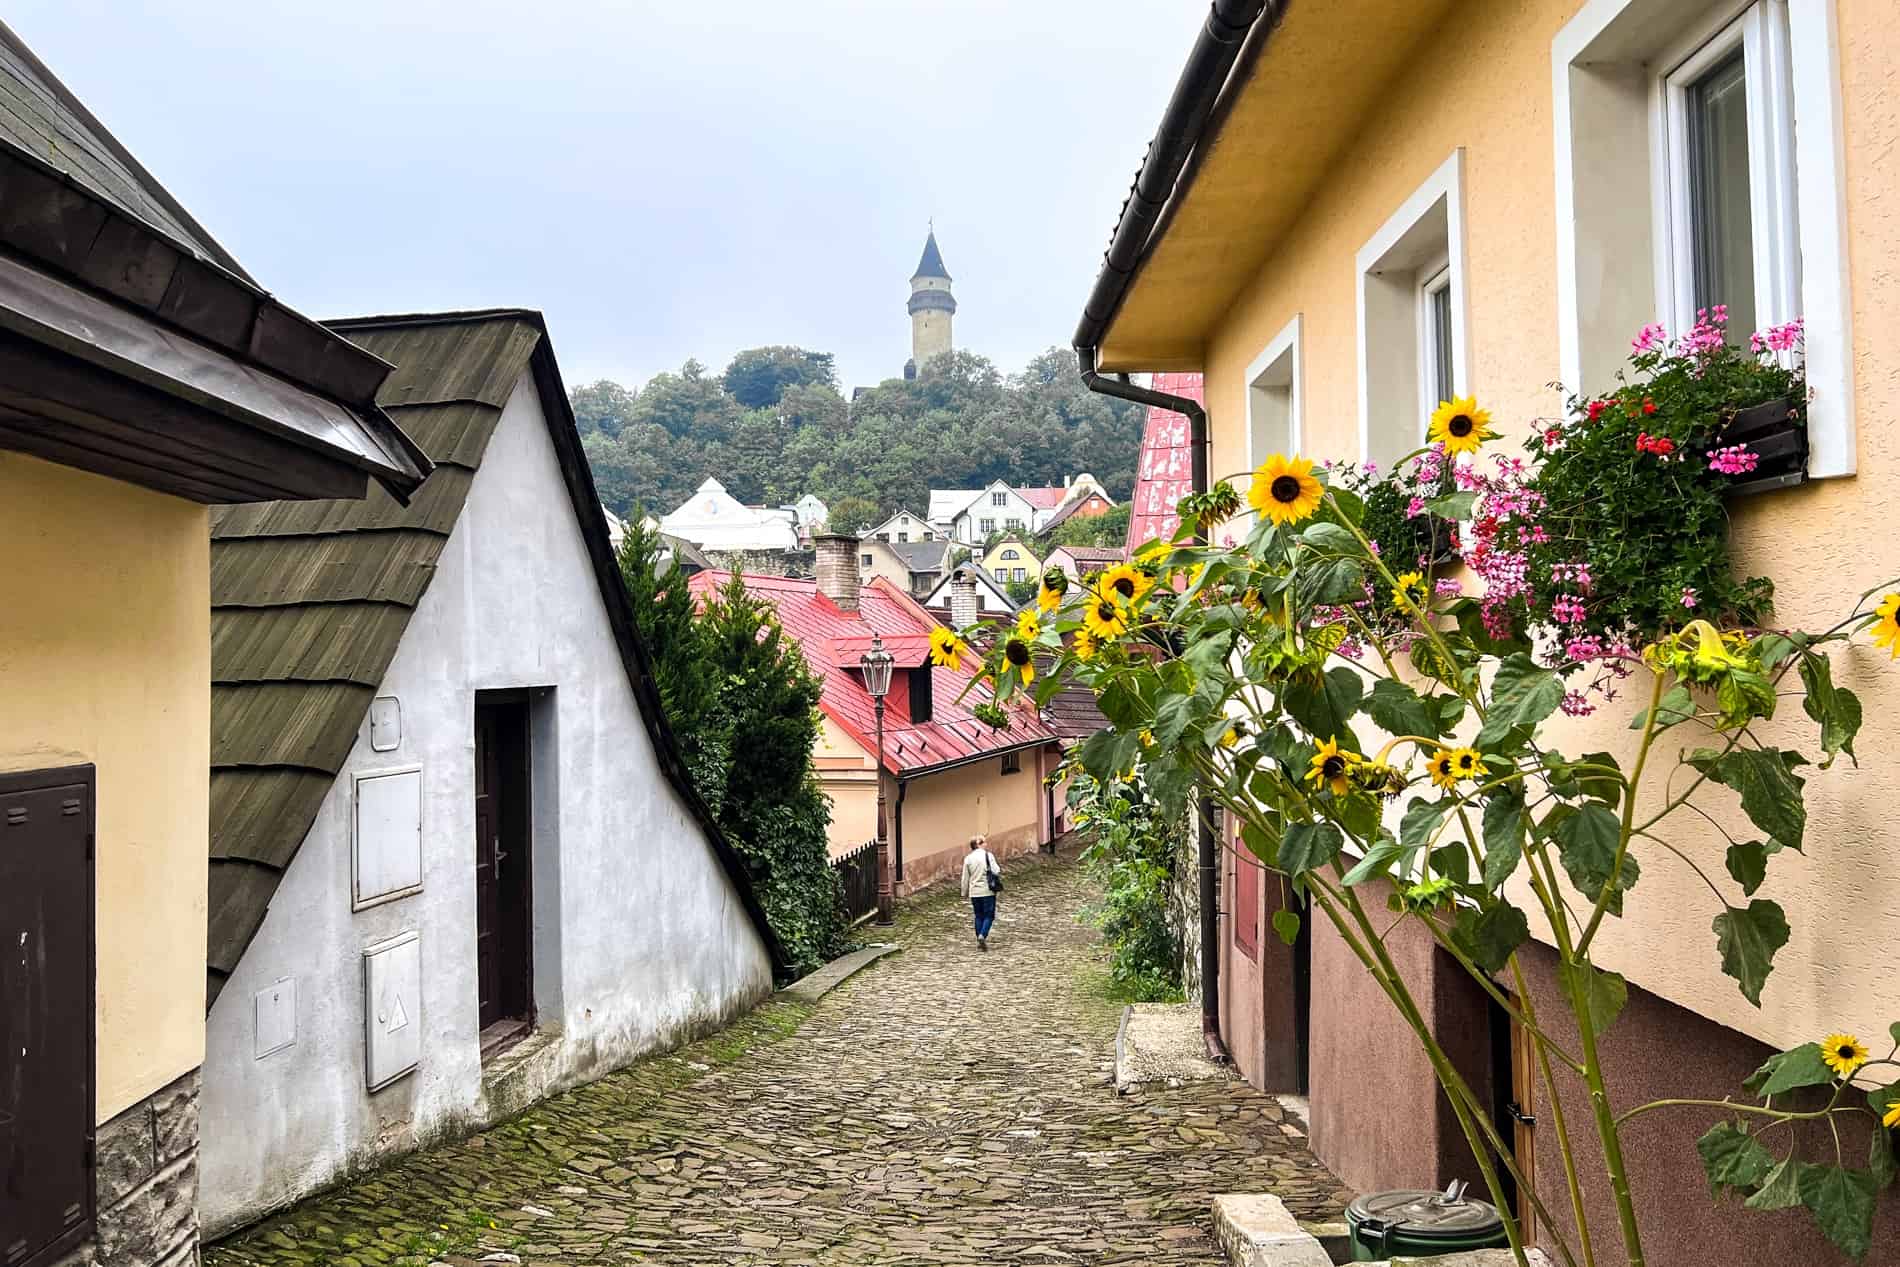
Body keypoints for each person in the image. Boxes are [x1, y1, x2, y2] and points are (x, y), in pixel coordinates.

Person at [960, 834, 1000, 950]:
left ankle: (979, 938)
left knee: (978, 915)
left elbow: (965, 878)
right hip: (987, 891)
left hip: (974, 892)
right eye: (984, 842)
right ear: (978, 844)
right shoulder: (988, 856)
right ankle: (983, 935)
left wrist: (964, 892)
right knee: (989, 915)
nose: (986, 844)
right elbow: (996, 871)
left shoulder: (968, 859)